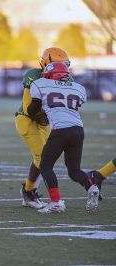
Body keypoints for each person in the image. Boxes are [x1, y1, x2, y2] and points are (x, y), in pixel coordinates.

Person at [27, 62, 99, 213]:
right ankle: (92, 186)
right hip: (78, 130)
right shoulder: (78, 87)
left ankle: (55, 202)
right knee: (74, 170)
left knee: (45, 166)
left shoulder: (40, 84)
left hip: (60, 130)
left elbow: (32, 110)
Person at [15, 47, 71, 209]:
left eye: (65, 64)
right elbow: (28, 109)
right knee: (43, 157)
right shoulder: (33, 75)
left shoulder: (68, 79)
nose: (63, 69)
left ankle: (28, 190)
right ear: (47, 64)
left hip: (45, 122)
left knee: (44, 157)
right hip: (27, 119)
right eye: (60, 64)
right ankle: (39, 195)